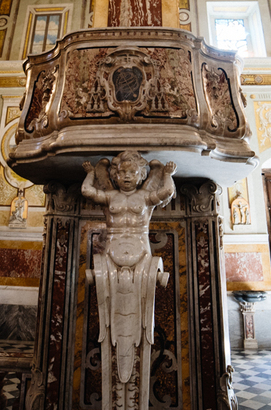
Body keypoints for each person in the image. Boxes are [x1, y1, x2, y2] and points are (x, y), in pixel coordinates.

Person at [81, 152, 175, 409]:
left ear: (141, 176)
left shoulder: (144, 197)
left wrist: (167, 173)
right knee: (109, 321)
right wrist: (90, 173)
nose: (126, 177)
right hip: (110, 259)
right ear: (115, 175)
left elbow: (166, 192)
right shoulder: (111, 196)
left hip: (142, 259)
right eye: (122, 172)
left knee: (142, 322)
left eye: (132, 173)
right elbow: (87, 191)